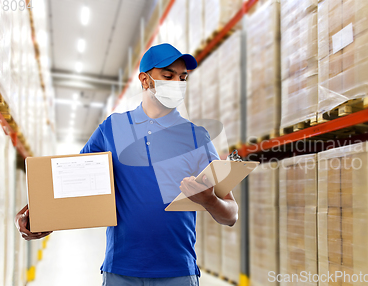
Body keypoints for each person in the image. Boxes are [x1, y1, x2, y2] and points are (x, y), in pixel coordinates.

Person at [15, 43, 238, 286]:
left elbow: (231, 214)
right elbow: (71, 184)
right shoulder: (112, 128)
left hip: (178, 272)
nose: (177, 83)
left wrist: (210, 201)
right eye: (168, 76)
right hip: (120, 271)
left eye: (182, 78)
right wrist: (32, 216)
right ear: (145, 80)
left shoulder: (196, 136)